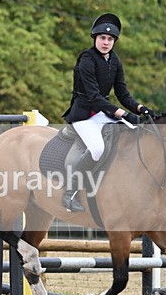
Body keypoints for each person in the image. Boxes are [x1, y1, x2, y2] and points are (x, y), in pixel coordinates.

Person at [60, 13, 153, 212]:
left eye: (110, 39)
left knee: (132, 135)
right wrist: (122, 114)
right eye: (102, 38)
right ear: (95, 38)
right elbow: (94, 97)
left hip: (102, 113)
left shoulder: (115, 60)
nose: (106, 42)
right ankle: (70, 194)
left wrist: (139, 108)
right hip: (83, 115)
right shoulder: (87, 59)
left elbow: (122, 93)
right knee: (97, 149)